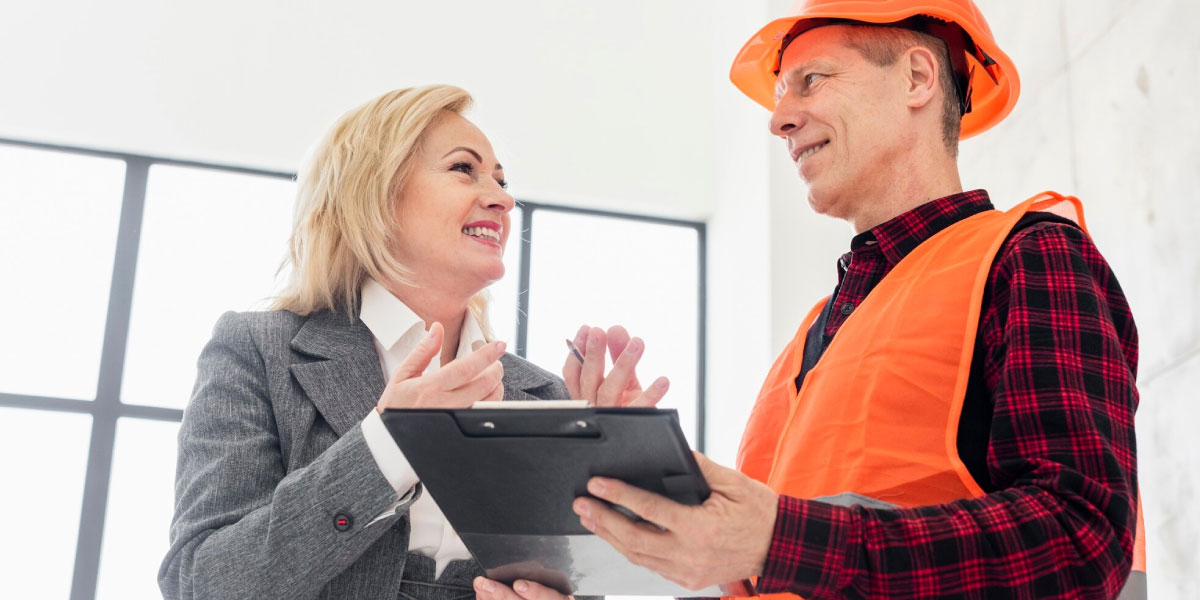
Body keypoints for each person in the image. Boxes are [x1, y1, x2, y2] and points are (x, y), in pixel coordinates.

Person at [569, 1, 1146, 599]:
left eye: (810, 81)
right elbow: (776, 576)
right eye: (779, 95)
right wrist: (661, 489)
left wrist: (775, 539)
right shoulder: (811, 338)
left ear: (917, 79)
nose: (779, 120)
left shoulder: (1028, 258)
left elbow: (1080, 542)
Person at [158, 84, 667, 600]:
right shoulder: (258, 351)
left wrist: (613, 483)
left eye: (501, 179)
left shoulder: (547, 398)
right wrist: (388, 443)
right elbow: (200, 583)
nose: (504, 198)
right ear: (375, 192)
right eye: (463, 169)